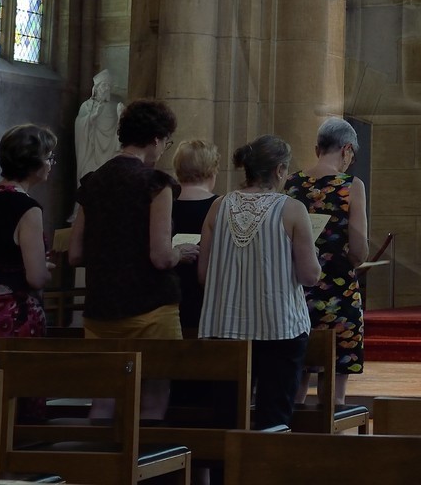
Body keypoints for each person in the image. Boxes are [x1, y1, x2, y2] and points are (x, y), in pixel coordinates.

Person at [198, 135, 320, 431]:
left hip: (224, 328)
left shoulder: (218, 206)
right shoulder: (291, 210)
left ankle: (223, 475)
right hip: (278, 328)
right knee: (274, 419)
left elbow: (204, 274)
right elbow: (309, 276)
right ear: (279, 170)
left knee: (226, 419)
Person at [69, 99, 189, 341]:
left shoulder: (93, 182)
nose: (164, 148)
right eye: (167, 142)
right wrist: (180, 252)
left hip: (100, 311)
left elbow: (75, 255)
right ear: (156, 139)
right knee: (156, 377)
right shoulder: (156, 184)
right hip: (149, 310)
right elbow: (161, 257)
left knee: (109, 380)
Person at [286, 117, 369, 407]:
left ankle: (291, 438)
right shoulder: (350, 186)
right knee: (334, 390)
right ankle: (329, 442)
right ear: (346, 150)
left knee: (295, 377)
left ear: (317, 147)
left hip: (297, 293)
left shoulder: (292, 184)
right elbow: (358, 249)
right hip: (339, 291)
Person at [0, 123, 57, 337]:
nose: (51, 164)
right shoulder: (28, 209)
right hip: (16, 319)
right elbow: (36, 278)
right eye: (49, 158)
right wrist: (44, 269)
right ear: (33, 163)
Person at [171, 140, 220, 336]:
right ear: (212, 169)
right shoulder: (220, 206)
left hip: (170, 294)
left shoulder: (164, 204)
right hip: (208, 297)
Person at [73, 69, 123, 182]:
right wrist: (92, 118)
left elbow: (120, 131)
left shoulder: (114, 107)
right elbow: (80, 126)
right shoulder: (87, 106)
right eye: (103, 86)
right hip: (91, 151)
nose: (106, 89)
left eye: (108, 86)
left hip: (110, 153)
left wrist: (120, 117)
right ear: (95, 89)